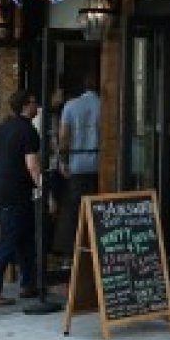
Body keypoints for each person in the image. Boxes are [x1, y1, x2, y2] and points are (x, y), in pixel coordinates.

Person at [0, 90, 43, 307]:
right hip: (15, 193)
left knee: (25, 237)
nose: (37, 106)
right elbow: (32, 165)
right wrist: (42, 188)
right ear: (25, 105)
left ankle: (28, 283)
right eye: (34, 102)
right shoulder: (29, 131)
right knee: (7, 240)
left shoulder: (1, 128)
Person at [57, 75, 101, 270]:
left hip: (77, 164)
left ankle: (70, 257)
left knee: (74, 211)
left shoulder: (71, 105)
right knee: (99, 210)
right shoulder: (105, 106)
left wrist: (63, 161)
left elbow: (64, 136)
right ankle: (97, 254)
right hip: (99, 164)